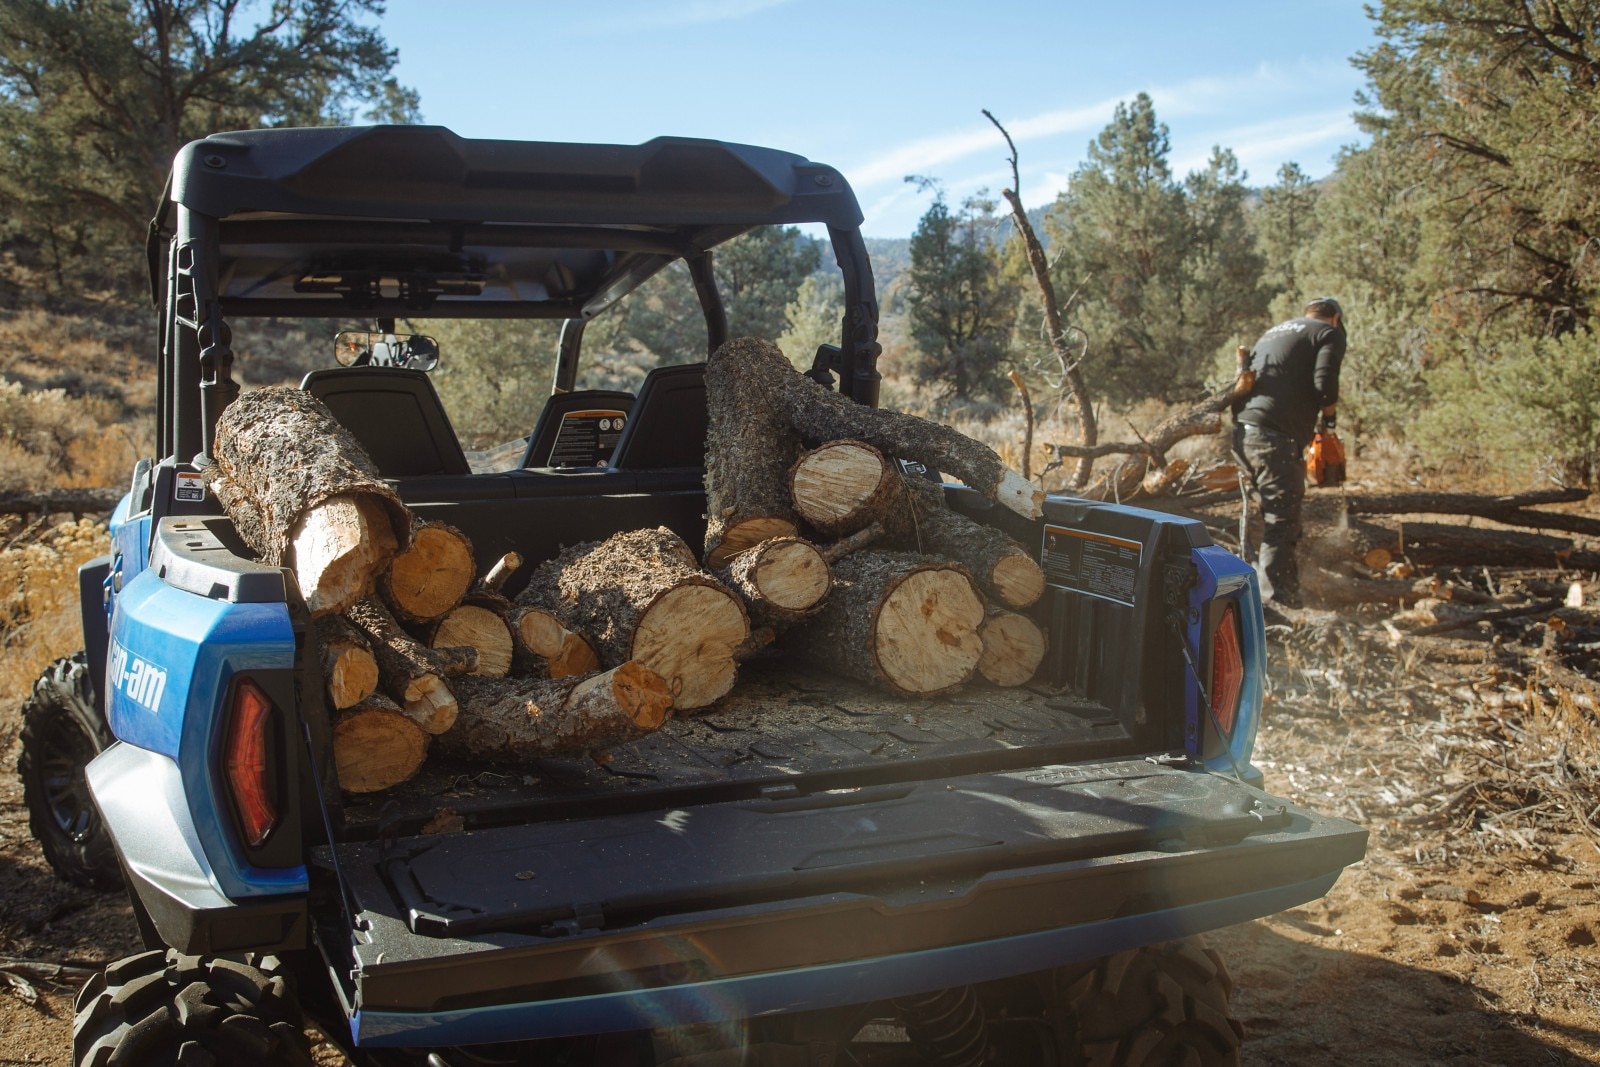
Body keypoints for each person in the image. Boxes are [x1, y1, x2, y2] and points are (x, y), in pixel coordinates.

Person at [1232, 296, 1346, 607]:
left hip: (1244, 434)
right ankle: (1275, 606)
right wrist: (1330, 422)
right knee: (1281, 522)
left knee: (1265, 518)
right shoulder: (1327, 333)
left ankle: (1259, 593)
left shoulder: (1276, 331)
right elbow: (1325, 383)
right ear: (1335, 318)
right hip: (1273, 438)